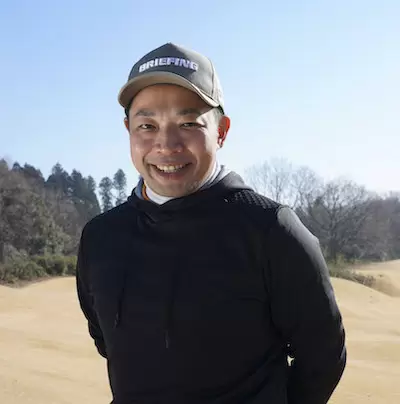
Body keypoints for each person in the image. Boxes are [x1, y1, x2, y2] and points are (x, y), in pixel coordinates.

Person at [76, 42, 346, 404]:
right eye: (147, 125)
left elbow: (323, 355)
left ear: (221, 131)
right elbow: (107, 340)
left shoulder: (270, 230)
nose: (166, 144)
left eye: (188, 123)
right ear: (128, 130)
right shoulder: (100, 237)